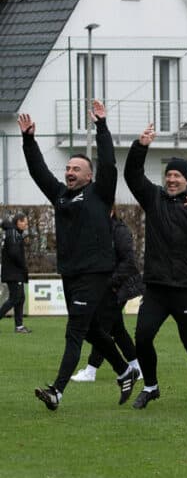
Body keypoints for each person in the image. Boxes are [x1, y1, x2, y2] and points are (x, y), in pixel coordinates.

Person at [20, 101, 140, 410]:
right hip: (70, 273)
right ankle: (125, 370)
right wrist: (29, 141)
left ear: (89, 176)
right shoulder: (60, 195)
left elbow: (109, 163)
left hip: (94, 273)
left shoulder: (100, 193)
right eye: (68, 168)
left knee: (74, 330)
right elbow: (38, 172)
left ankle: (56, 392)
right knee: (91, 330)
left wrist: (101, 126)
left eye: (76, 169)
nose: (69, 172)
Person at [125, 124, 187, 409]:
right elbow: (132, 176)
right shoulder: (153, 198)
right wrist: (140, 147)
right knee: (143, 337)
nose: (171, 179)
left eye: (177, 176)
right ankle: (151, 387)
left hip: (186, 288)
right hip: (157, 288)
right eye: (168, 175)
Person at [71, 209, 144, 382]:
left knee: (101, 329)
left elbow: (128, 262)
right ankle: (137, 367)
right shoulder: (98, 230)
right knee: (117, 330)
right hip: (108, 287)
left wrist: (110, 282)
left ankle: (91, 370)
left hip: (118, 287)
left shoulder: (120, 230)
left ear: (111, 211)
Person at [1, 212, 31, 333]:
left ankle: (19, 326)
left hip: (16, 272)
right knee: (14, 298)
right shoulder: (13, 233)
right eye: (25, 223)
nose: (26, 225)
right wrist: (22, 265)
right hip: (13, 272)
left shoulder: (15, 232)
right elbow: (14, 253)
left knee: (20, 298)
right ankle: (19, 326)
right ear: (18, 222)